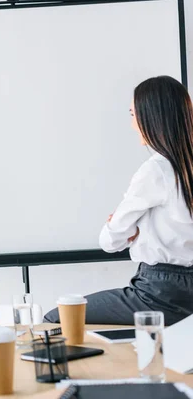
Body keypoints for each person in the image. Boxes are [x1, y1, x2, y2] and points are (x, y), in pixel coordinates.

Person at [45, 76, 193, 326]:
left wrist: (133, 231)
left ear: (151, 117)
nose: (132, 124)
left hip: (158, 294)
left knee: (57, 319)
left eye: (133, 114)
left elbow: (110, 241)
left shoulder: (156, 170)